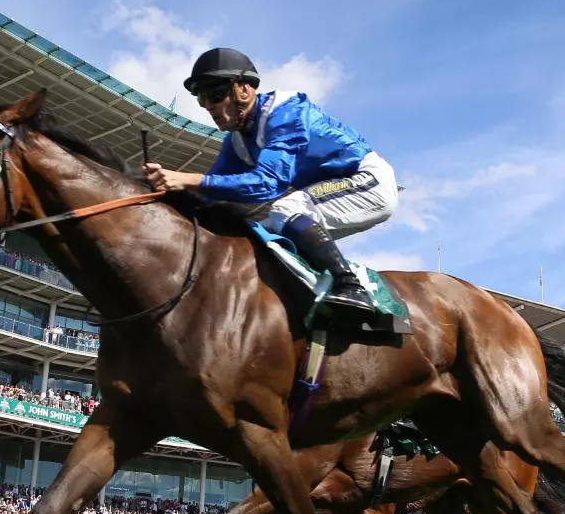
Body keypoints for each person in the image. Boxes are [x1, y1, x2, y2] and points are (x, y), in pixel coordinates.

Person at [142, 47, 399, 315]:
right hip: (329, 191)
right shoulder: (236, 141)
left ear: (244, 90)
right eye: (201, 98)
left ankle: (351, 286)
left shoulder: (287, 113)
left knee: (286, 209)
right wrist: (162, 194)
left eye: (215, 94)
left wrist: (187, 179)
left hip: (367, 181)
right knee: (255, 236)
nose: (209, 106)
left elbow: (267, 184)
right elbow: (209, 195)